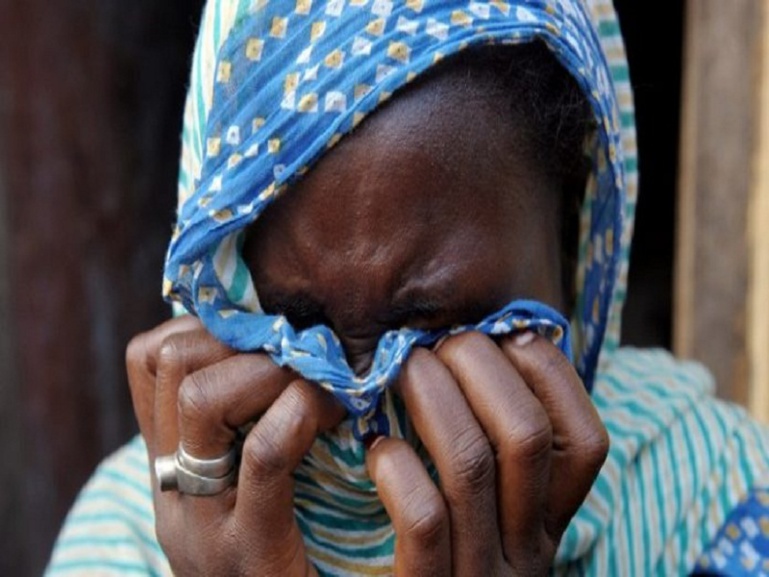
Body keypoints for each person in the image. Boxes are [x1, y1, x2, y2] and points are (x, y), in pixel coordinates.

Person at [47, 0, 769, 575]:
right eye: (295, 327)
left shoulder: (709, 502)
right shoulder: (128, 544)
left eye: (434, 324)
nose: (362, 400)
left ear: (576, 250)